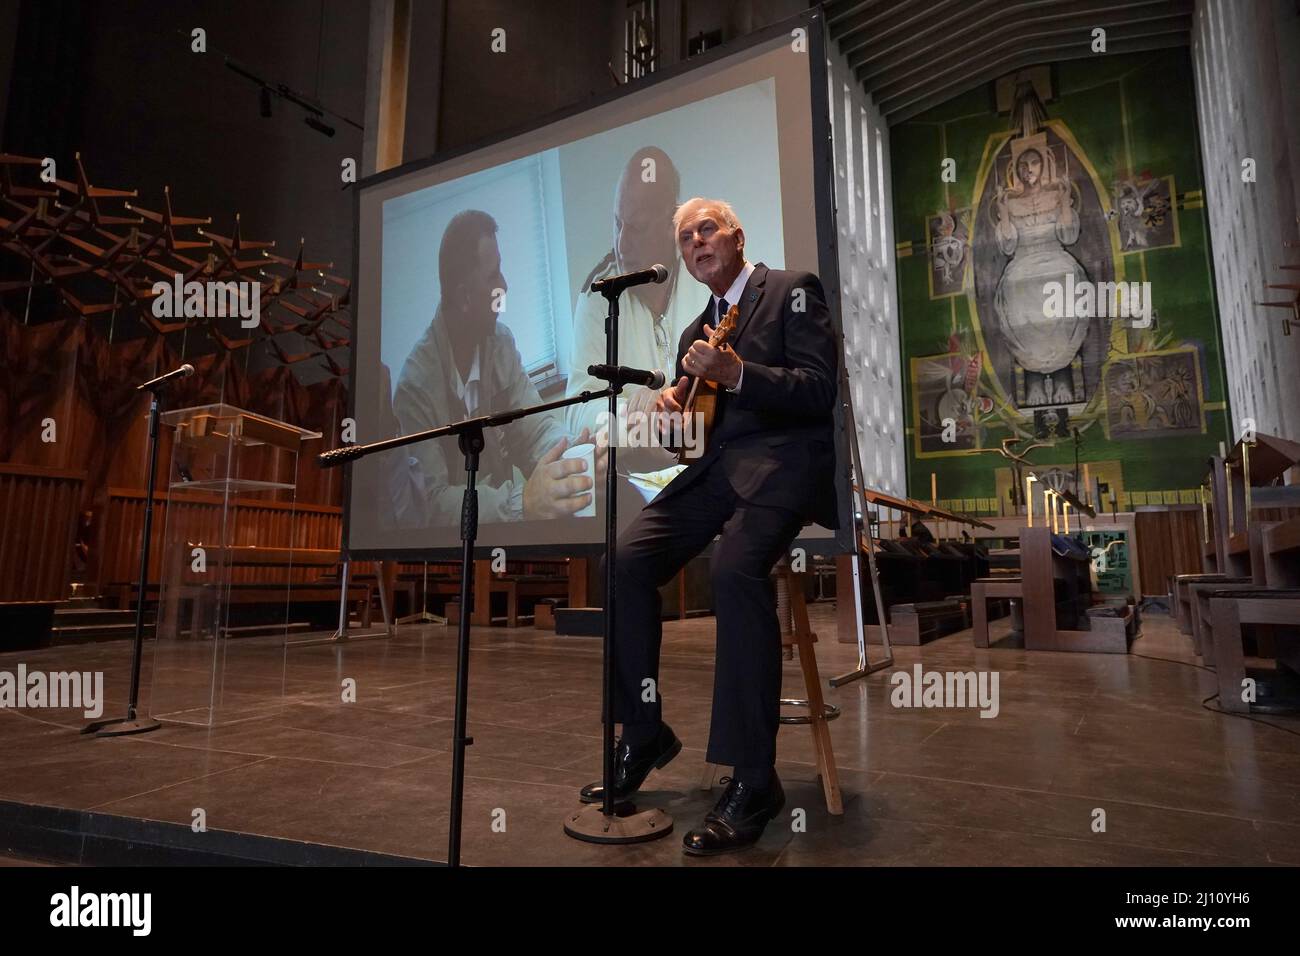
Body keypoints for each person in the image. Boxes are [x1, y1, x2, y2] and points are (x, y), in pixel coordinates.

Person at [579, 197, 839, 855]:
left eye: (706, 230)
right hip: (716, 473)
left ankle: (755, 778)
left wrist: (738, 373)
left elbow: (817, 390)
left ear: (736, 237)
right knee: (624, 562)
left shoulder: (790, 292)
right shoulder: (698, 326)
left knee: (734, 570)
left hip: (784, 465)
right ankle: (642, 733)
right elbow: (687, 443)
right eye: (685, 237)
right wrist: (671, 413)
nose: (695, 242)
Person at [392, 209, 598, 526]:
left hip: (504, 543)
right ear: (464, 296)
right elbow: (430, 505)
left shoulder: (500, 342)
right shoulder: (415, 386)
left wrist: (572, 453)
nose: (505, 285)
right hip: (449, 558)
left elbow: (534, 429)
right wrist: (522, 503)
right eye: (494, 275)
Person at [566, 147, 699, 459]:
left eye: (636, 227)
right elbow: (576, 413)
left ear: (674, 222)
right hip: (639, 491)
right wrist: (635, 416)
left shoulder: (707, 276)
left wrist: (676, 408)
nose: (621, 243)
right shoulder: (598, 296)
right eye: (617, 223)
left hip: (711, 467)